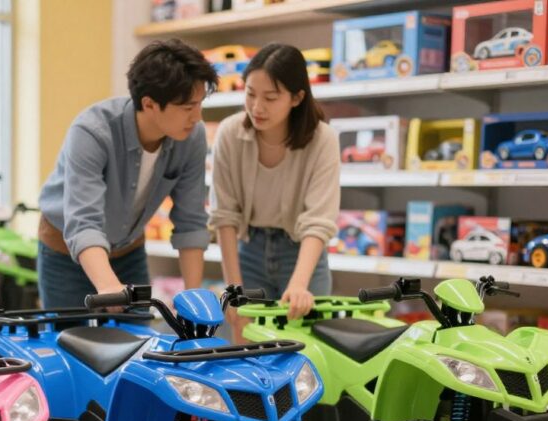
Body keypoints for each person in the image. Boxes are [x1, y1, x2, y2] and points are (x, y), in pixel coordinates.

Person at [37, 39, 217, 308]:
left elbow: (191, 221)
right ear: (150, 104)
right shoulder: (91, 132)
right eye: (188, 107)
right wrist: (108, 286)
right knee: (70, 341)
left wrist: (195, 300)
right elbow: (84, 223)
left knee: (138, 341)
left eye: (200, 104)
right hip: (65, 250)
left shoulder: (192, 137)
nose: (197, 117)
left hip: (128, 249)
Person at [208, 43, 341, 339]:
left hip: (303, 254)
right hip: (249, 252)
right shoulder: (229, 134)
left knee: (307, 355)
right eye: (250, 94)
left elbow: (318, 220)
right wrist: (233, 289)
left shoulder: (323, 140)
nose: (257, 107)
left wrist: (299, 283)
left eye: (270, 97)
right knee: (247, 351)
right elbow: (224, 217)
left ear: (297, 97)